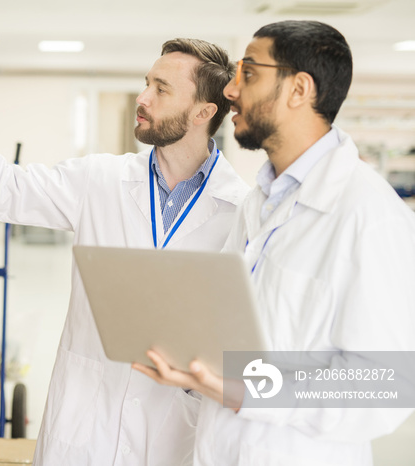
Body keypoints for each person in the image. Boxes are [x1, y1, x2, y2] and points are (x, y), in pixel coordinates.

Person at [0, 38, 250, 465]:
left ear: (203, 112)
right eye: (147, 83)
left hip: (175, 431)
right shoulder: (100, 180)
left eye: (161, 89)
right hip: (85, 422)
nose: (142, 98)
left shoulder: (241, 212)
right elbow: (4, 190)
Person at [134, 20, 415, 465]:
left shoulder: (370, 216)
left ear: (299, 89)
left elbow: (388, 384)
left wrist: (250, 390)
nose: (229, 91)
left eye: (248, 74)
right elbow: (234, 322)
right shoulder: (259, 201)